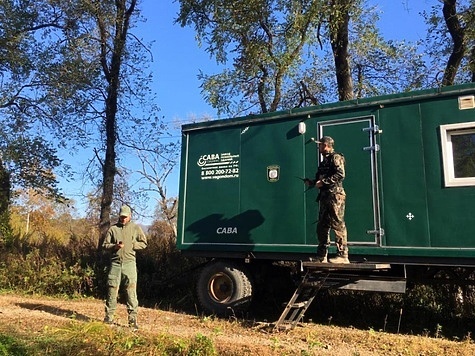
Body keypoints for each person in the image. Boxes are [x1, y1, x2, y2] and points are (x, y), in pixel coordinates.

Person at [305, 136, 349, 264]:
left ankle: (343, 255)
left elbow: (340, 174)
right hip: (325, 197)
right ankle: (321, 256)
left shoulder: (336, 158)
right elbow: (320, 179)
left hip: (335, 196)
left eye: (320, 145)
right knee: (322, 226)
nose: (318, 147)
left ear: (326, 145)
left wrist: (323, 182)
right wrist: (312, 182)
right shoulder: (324, 162)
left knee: (338, 223)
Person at [102, 205, 148, 329]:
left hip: (129, 264)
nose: (123, 219)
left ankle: (132, 321)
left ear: (130, 216)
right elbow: (105, 245)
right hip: (115, 264)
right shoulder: (113, 229)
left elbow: (144, 243)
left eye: (125, 217)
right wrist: (114, 247)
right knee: (112, 290)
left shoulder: (135, 228)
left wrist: (133, 244)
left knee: (131, 292)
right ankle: (108, 318)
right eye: (121, 216)